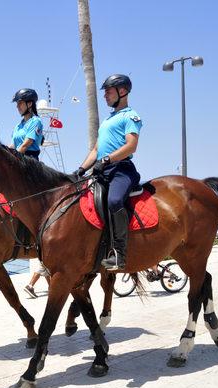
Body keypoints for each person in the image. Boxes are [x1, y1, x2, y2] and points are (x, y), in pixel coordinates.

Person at [71, 74, 143, 270]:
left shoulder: (130, 116)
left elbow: (131, 146)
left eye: (108, 91)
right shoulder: (107, 120)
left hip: (121, 170)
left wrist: (108, 159)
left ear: (122, 91)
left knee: (114, 201)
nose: (105, 96)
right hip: (102, 170)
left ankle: (120, 254)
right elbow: (95, 150)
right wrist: (80, 169)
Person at [10, 88, 49, 298]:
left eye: (20, 103)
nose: (17, 106)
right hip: (17, 163)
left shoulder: (35, 122)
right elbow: (13, 144)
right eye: (17, 103)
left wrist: (10, 157)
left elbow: (25, 145)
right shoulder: (18, 124)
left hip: (29, 165)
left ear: (29, 104)